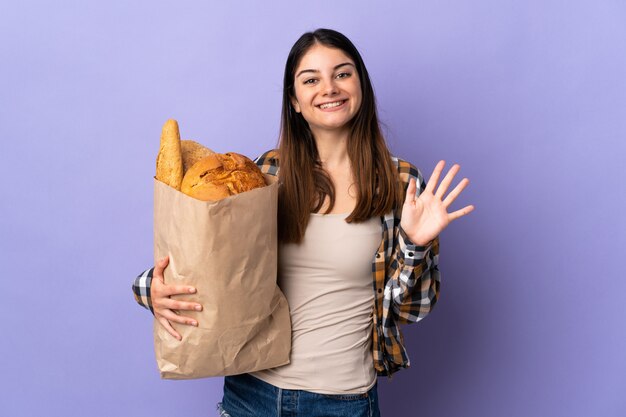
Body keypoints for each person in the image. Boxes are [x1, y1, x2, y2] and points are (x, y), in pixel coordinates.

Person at [132, 28, 474, 417]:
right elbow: (209, 265)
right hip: (251, 394)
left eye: (342, 74)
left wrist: (415, 244)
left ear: (360, 86)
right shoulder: (265, 173)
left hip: (343, 401)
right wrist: (151, 289)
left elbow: (414, 308)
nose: (329, 87)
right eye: (311, 80)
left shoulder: (400, 184)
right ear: (294, 100)